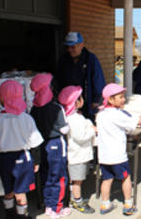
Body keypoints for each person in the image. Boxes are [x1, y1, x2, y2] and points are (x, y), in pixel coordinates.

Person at [96, 83, 141, 216]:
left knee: (107, 179)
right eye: (120, 97)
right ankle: (128, 204)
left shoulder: (101, 114)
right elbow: (135, 123)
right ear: (110, 99)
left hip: (104, 156)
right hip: (118, 156)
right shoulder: (117, 115)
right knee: (126, 178)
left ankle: (105, 203)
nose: (123, 99)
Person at [0, 80, 44, 219]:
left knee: (8, 189)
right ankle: (22, 215)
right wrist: (36, 161)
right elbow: (35, 142)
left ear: (1, 98)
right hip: (22, 158)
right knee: (21, 191)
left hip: (3, 159)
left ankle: (9, 213)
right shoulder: (26, 118)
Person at [30, 73, 71, 218]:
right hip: (56, 144)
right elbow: (64, 129)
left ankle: (48, 205)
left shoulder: (33, 109)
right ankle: (57, 208)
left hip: (41, 145)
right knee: (58, 176)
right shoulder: (56, 108)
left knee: (45, 175)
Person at [58, 86, 96, 214]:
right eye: (80, 97)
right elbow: (81, 137)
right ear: (76, 102)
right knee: (77, 181)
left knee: (76, 179)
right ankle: (77, 201)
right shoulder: (74, 119)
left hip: (76, 154)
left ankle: (74, 197)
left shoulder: (70, 116)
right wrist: (92, 130)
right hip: (78, 155)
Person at [56, 32, 106, 122]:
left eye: (73, 47)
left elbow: (98, 80)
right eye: (68, 47)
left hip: (87, 103)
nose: (70, 50)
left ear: (81, 45)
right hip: (68, 104)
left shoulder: (90, 59)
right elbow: (59, 79)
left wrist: (95, 100)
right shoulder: (63, 59)